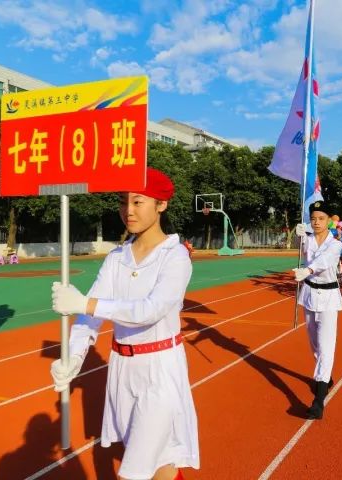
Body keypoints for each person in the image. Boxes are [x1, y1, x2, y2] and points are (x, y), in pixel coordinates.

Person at [50, 168, 199, 480]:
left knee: (132, 473)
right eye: (122, 202)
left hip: (160, 370)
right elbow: (89, 315)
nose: (128, 211)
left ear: (161, 204)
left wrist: (85, 303)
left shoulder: (175, 256)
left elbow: (150, 310)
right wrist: (74, 356)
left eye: (138, 201)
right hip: (122, 370)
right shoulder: (116, 258)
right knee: (162, 466)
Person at [293, 201, 342, 420]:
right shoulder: (308, 238)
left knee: (326, 346)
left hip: (329, 298)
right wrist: (297, 236)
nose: (316, 222)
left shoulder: (336, 244)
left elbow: (324, 261)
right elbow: (300, 249)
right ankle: (326, 377)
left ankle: (318, 401)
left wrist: (307, 270)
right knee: (314, 344)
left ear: (329, 221)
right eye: (313, 218)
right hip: (309, 294)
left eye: (321, 218)